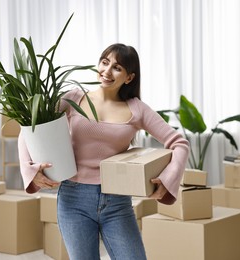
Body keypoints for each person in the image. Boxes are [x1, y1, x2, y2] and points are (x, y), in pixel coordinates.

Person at [18, 43, 190, 260]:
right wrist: (29, 169)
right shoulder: (73, 98)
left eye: (117, 67)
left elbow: (179, 143)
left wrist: (168, 179)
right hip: (73, 200)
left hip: (117, 202)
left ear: (129, 77)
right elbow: (29, 129)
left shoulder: (137, 109)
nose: (107, 71)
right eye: (105, 62)